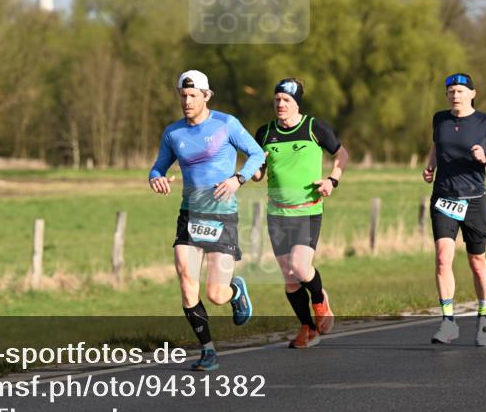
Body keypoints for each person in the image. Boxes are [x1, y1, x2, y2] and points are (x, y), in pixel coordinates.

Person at [149, 70, 265, 371]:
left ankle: (235, 291)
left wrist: (238, 180)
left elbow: (256, 154)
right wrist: (156, 178)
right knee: (188, 285)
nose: (187, 101)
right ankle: (208, 350)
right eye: (183, 96)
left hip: (222, 216)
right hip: (190, 214)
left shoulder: (226, 124)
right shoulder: (173, 133)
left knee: (215, 294)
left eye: (193, 96)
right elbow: (157, 167)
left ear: (206, 96)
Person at [251, 79, 349, 349]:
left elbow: (342, 154)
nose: (280, 105)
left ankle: (320, 300)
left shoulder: (313, 127)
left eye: (286, 101)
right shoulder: (264, 132)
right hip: (276, 213)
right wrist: (248, 167)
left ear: (297, 103)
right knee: (289, 277)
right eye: (277, 100)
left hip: (307, 210)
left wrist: (332, 180)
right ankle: (307, 328)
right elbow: (258, 174)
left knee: (300, 266)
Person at [422, 73, 486, 347]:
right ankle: (448, 322)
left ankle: (484, 318)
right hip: (443, 198)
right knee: (442, 257)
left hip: (473, 200)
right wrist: (430, 166)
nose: (455, 95)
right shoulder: (440, 119)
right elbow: (437, 144)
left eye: (460, 91)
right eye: (450, 91)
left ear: (472, 93)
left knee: (477, 262)